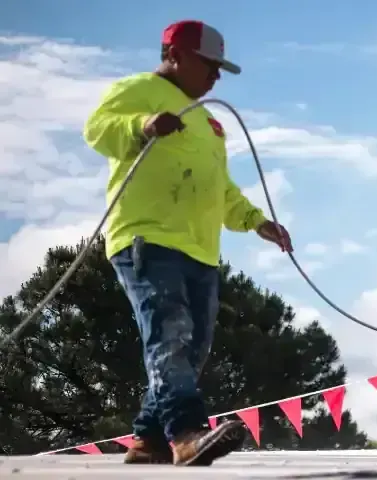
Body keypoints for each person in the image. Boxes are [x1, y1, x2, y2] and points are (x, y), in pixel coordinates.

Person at [82, 20, 294, 467]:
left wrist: (257, 222)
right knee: (170, 334)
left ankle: (148, 440)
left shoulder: (210, 122)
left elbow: (221, 188)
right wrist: (141, 125)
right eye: (209, 65)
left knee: (192, 344)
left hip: (200, 248)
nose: (215, 76)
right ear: (175, 54)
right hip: (147, 236)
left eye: (220, 69)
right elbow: (98, 129)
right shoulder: (136, 88)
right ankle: (186, 433)